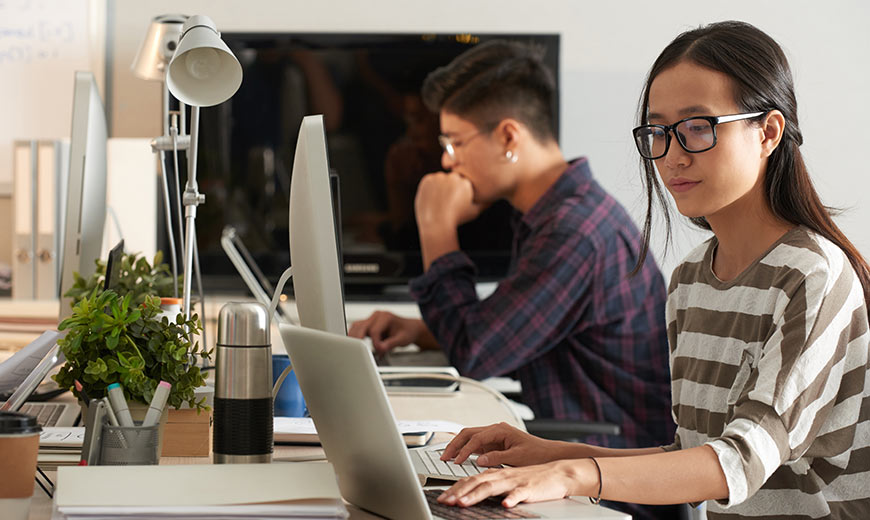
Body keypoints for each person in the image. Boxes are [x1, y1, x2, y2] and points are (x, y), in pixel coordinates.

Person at [432, 21, 870, 520]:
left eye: (698, 127)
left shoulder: (812, 274)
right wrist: (545, 453)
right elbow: (691, 455)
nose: (673, 156)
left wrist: (570, 475)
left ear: (768, 132)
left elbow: (738, 461)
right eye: (659, 132)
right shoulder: (691, 278)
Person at [348, 41, 674, 450]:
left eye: (454, 143)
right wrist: (422, 331)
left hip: (610, 472)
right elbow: (510, 333)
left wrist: (435, 227)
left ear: (507, 136)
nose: (447, 161)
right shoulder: (558, 214)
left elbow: (474, 354)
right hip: (580, 455)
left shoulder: (573, 233)